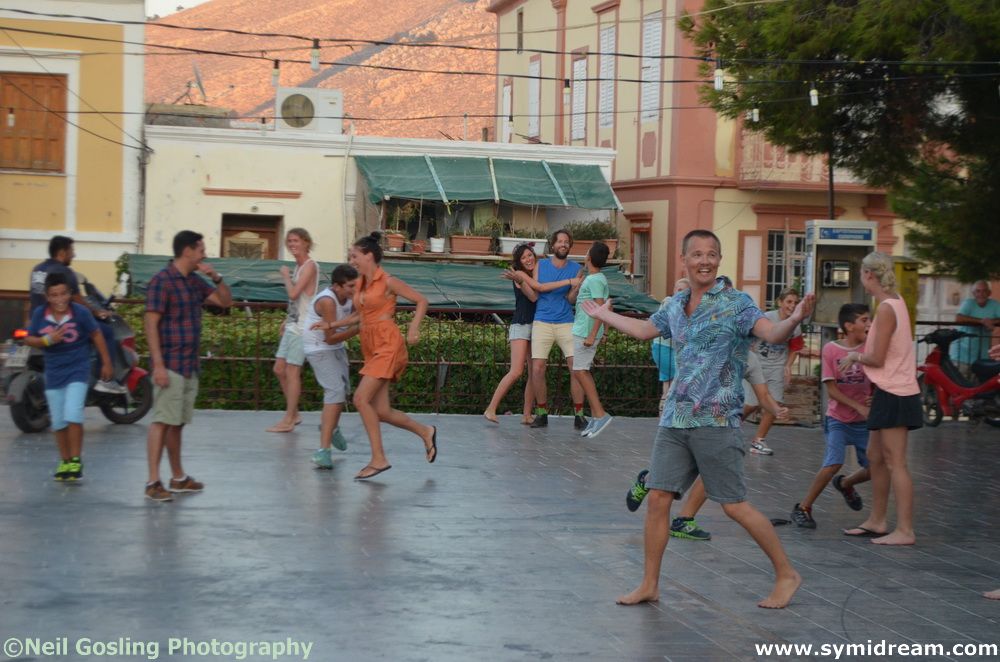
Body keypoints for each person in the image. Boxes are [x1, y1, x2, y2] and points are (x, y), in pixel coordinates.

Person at [583, 229, 812, 609]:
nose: (704, 260)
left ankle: (787, 574)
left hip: (716, 419)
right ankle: (650, 584)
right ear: (684, 259)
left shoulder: (737, 304)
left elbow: (771, 332)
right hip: (676, 417)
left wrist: (795, 319)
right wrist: (605, 314)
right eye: (697, 254)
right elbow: (643, 329)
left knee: (733, 505)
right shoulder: (675, 305)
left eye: (711, 254)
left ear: (719, 260)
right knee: (658, 498)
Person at [627, 351, 790, 541]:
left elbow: (762, 395)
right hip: (685, 423)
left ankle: (678, 512)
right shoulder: (703, 344)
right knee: (719, 491)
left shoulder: (748, 357)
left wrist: (776, 409)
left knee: (710, 471)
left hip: (719, 428)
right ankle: (659, 491)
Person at [840, 252, 922, 546]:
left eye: (862, 273)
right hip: (888, 390)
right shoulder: (892, 303)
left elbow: (877, 356)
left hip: (896, 391)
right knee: (876, 457)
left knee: (896, 462)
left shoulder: (887, 308)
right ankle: (877, 520)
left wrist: (853, 356)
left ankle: (905, 530)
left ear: (869, 275)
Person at [143, 231, 232, 502]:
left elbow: (225, 302)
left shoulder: (194, 281)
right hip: (169, 363)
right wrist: (157, 365)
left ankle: (178, 478)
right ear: (187, 251)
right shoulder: (162, 281)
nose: (204, 254)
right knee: (161, 421)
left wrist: (216, 278)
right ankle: (153, 481)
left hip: (188, 364)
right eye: (201, 249)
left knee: (177, 422)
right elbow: (150, 324)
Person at [349, 232, 437, 480]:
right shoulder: (360, 284)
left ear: (368, 255)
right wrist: (331, 326)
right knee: (382, 411)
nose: (351, 260)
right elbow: (359, 316)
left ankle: (378, 458)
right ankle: (425, 432)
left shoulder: (388, 281)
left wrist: (413, 328)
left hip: (388, 344)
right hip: (371, 346)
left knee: (360, 399)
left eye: (354, 255)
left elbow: (421, 301)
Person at [24, 272, 115, 481]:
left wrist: (107, 361)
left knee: (73, 412)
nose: (59, 299)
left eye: (63, 294)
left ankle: (75, 459)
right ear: (47, 296)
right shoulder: (40, 314)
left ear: (70, 294)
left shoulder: (81, 312)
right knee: (58, 420)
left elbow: (96, 334)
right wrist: (47, 340)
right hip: (54, 372)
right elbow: (29, 338)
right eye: (54, 295)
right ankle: (64, 460)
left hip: (78, 369)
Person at [790, 303, 873, 528]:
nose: (869, 324)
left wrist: (873, 397)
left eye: (869, 319)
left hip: (864, 423)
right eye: (864, 320)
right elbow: (832, 390)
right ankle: (804, 506)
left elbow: (879, 378)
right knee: (833, 462)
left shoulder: (871, 349)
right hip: (838, 418)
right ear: (849, 326)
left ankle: (846, 484)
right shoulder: (831, 350)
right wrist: (858, 405)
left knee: (876, 467)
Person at [507, 229, 586, 430]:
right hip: (542, 320)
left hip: (566, 321)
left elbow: (570, 299)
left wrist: (576, 288)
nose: (563, 244)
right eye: (559, 241)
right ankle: (542, 412)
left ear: (570, 245)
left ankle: (579, 414)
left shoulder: (576, 268)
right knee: (537, 368)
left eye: (566, 242)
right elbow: (537, 290)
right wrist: (570, 282)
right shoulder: (541, 265)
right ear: (552, 245)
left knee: (575, 367)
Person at [29, 235, 126, 394]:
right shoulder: (64, 271)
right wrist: (96, 312)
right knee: (106, 332)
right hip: (61, 322)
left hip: (38, 321)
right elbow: (76, 298)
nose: (74, 255)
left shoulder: (37, 269)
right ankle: (106, 380)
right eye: (71, 250)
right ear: (62, 252)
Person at [304, 264, 361, 469]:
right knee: (335, 392)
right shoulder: (327, 301)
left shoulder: (352, 296)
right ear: (337, 286)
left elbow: (357, 315)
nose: (354, 290)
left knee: (343, 391)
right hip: (319, 347)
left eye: (356, 285)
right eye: (350, 286)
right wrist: (358, 330)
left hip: (336, 346)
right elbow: (330, 338)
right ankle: (323, 451)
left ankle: (332, 427)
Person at [267, 228, 319, 433]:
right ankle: (294, 413)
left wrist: (286, 277)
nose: (292, 244)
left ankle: (289, 419)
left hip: (303, 328)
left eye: (296, 240)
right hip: (294, 324)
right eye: (289, 241)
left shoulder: (309, 266)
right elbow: (299, 301)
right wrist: (286, 319)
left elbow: (294, 293)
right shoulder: (299, 268)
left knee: (292, 371)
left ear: (306, 242)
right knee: (279, 369)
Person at [744, 287, 804, 455]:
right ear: (780, 302)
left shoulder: (795, 325)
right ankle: (727, 430)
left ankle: (758, 441)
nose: (792, 306)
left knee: (775, 403)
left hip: (776, 366)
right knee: (751, 404)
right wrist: (750, 350)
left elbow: (795, 347)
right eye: (789, 302)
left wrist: (788, 365)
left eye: (795, 302)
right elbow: (750, 335)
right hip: (758, 365)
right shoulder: (767, 318)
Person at [484, 242, 538, 425]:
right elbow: (533, 297)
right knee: (516, 371)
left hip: (536, 326)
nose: (528, 259)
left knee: (533, 373)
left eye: (530, 255)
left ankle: (527, 414)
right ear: (519, 262)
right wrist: (522, 280)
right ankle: (491, 408)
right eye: (523, 257)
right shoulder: (519, 275)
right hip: (521, 325)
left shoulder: (536, 274)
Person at [572, 241, 613, 438]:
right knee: (581, 371)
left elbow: (601, 309)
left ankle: (600, 414)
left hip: (585, 332)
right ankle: (597, 416)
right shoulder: (593, 277)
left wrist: (593, 334)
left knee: (580, 371)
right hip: (582, 329)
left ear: (589, 256)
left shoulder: (596, 279)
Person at [651, 278, 690, 415]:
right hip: (664, 348)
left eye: (683, 290)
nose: (679, 293)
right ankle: (669, 412)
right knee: (676, 380)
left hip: (669, 348)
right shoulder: (669, 302)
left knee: (668, 381)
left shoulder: (685, 306)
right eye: (677, 289)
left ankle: (664, 413)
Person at [950, 280, 1000, 378]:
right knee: (960, 384)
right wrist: (982, 321)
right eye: (978, 291)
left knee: (979, 387)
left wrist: (991, 322)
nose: (981, 294)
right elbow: (959, 318)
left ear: (989, 293)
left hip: (982, 355)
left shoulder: (994, 304)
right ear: (973, 293)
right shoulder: (968, 303)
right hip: (962, 354)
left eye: (984, 291)